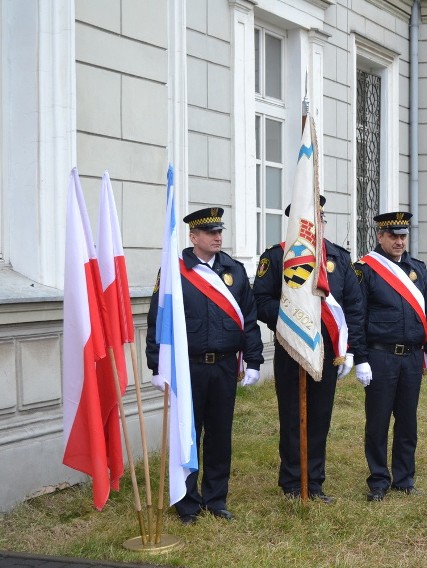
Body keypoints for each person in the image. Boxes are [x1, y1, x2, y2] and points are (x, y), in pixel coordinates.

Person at [145, 207, 264, 524]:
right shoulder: (174, 270)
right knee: (188, 434)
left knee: (220, 435)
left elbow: (248, 321)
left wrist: (254, 360)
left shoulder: (234, 271)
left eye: (219, 231)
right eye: (210, 232)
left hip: (224, 367)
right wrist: (157, 366)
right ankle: (186, 503)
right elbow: (159, 320)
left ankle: (216, 499)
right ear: (193, 236)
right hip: (188, 368)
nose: (217, 237)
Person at [253, 196, 365, 504]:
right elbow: (260, 302)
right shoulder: (277, 257)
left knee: (320, 416)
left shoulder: (339, 259)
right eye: (307, 221)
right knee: (292, 415)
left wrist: (351, 349)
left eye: (319, 220)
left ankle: (314, 482)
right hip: (291, 346)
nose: (314, 226)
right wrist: (294, 314)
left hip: (327, 350)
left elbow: (354, 306)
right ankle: (292, 481)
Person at [353, 211, 427, 502]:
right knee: (378, 421)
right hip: (381, 356)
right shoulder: (366, 269)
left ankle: (404, 478)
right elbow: (357, 316)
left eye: (403, 236)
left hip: (411, 357)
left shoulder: (417, 269)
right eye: (393, 236)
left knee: (407, 420)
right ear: (380, 236)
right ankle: (378, 479)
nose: (399, 241)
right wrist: (360, 357)